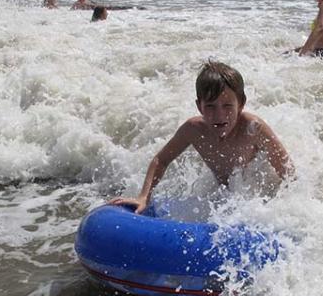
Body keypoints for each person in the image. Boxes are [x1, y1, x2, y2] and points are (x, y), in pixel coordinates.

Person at [110, 61, 293, 214]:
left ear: (241, 104)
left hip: (256, 194)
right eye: (211, 106)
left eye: (228, 106)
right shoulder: (193, 130)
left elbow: (288, 173)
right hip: (225, 192)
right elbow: (161, 160)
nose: (219, 115)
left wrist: (280, 209)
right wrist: (144, 197)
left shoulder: (253, 128)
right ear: (199, 106)